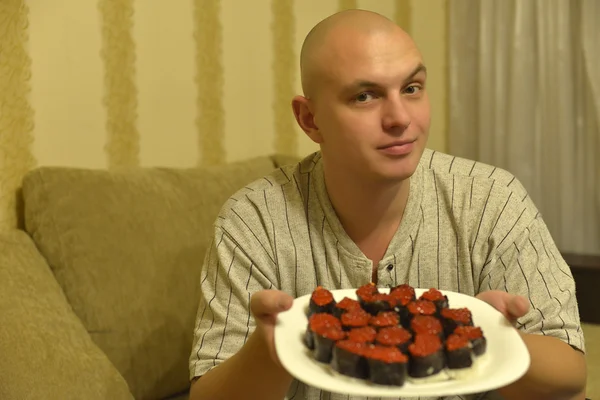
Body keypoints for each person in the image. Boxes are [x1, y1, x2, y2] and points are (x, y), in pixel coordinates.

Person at [188, 9, 587, 400]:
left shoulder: (491, 200)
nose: (400, 118)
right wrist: (269, 350)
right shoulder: (253, 221)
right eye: (365, 96)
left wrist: (492, 338)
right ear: (310, 119)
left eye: (412, 88)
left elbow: (571, 378)